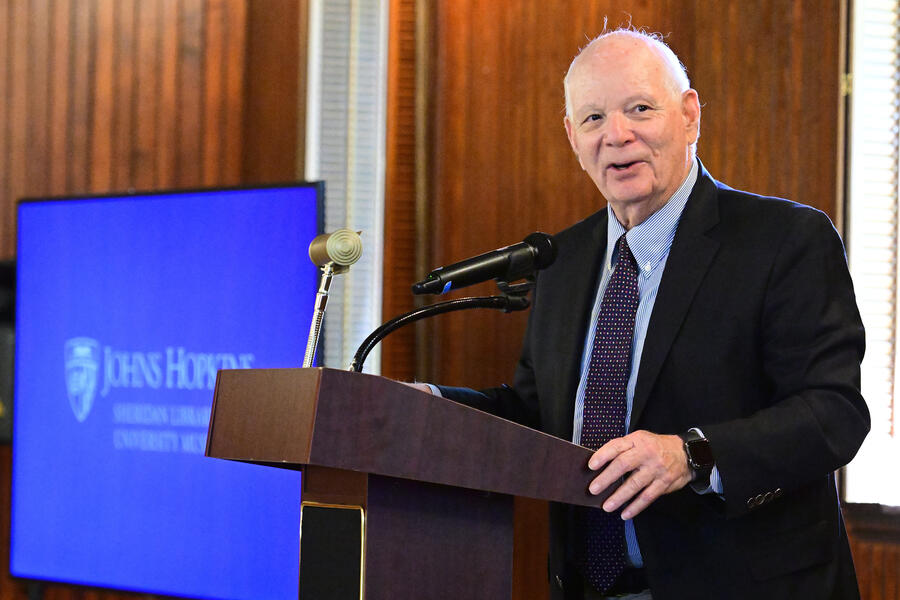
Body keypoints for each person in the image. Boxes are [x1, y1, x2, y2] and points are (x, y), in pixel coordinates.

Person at [413, 28, 869, 600]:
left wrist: (693, 454)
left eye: (640, 109)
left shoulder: (784, 240)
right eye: (594, 118)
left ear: (689, 115)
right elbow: (537, 414)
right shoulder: (563, 260)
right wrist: (431, 409)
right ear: (572, 138)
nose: (617, 136)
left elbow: (834, 413)